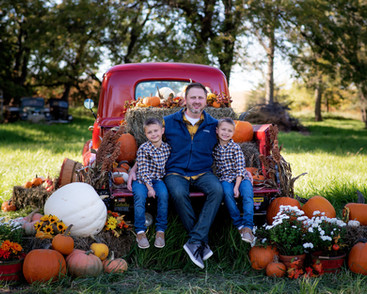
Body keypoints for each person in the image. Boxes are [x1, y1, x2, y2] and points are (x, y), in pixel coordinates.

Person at [162, 82, 223, 269]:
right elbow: (151, 146)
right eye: (193, 97)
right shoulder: (168, 122)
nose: (197, 101)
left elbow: (230, 147)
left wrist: (243, 168)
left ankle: (194, 241)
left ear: (206, 101)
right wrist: (134, 168)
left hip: (203, 171)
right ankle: (199, 242)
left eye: (200, 98)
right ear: (184, 100)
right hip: (175, 172)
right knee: (179, 194)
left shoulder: (214, 125)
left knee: (217, 190)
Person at [128, 117, 171, 249]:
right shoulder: (144, 148)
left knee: (164, 195)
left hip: (157, 179)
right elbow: (143, 170)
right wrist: (150, 188)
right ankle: (140, 231)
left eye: (156, 131)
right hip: (141, 180)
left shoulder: (167, 148)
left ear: (162, 131)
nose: (153, 134)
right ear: (145, 134)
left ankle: (160, 230)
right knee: (140, 197)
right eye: (149, 132)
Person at [212, 117, 255, 243]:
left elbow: (240, 169)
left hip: (241, 178)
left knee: (247, 195)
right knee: (227, 194)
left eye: (229, 131)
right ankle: (239, 225)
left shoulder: (235, 148)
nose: (226, 133)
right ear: (217, 130)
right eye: (223, 130)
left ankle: (248, 226)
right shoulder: (215, 149)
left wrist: (237, 187)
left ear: (233, 132)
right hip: (225, 178)